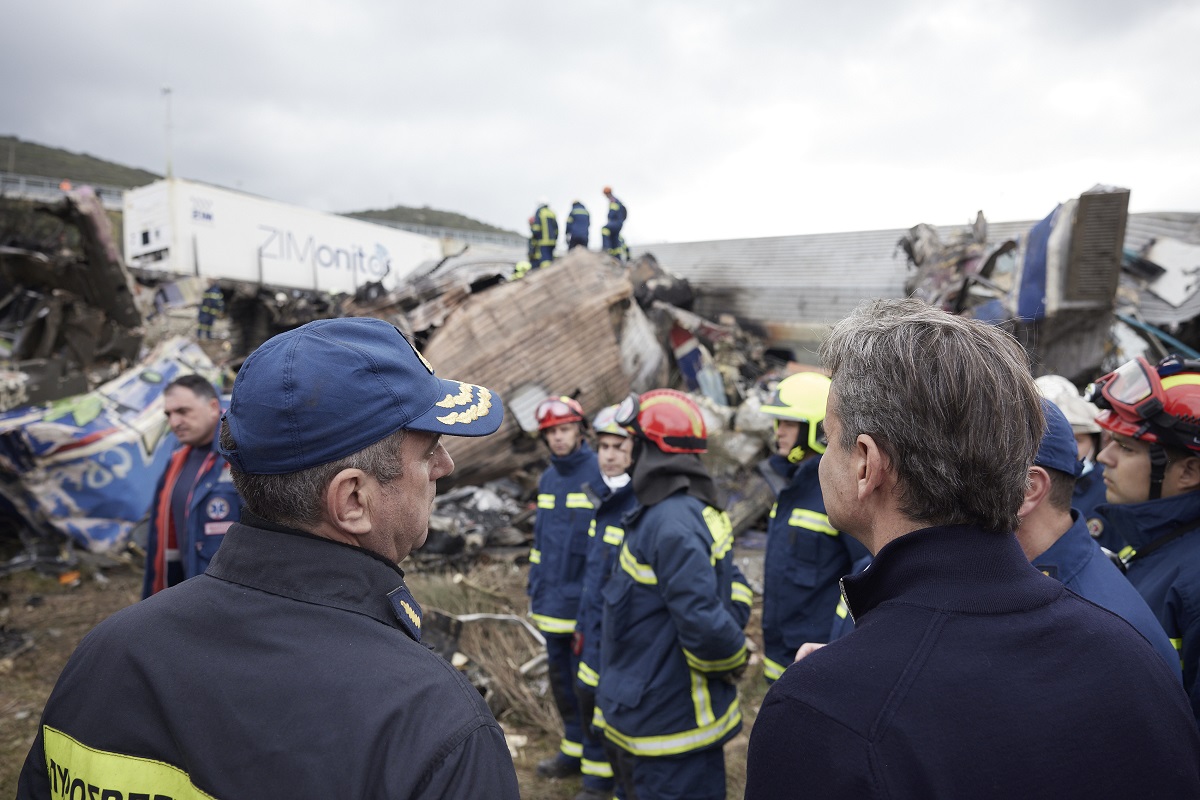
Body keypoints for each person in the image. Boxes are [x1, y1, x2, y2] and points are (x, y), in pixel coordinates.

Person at [19, 317, 519, 799]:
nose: (445, 465)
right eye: (428, 448)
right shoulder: (433, 729)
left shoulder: (104, 657)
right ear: (352, 501)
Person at [744, 298, 1200, 799]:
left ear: (866, 464)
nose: (820, 461)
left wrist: (838, 692)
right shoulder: (1132, 657)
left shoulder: (817, 716)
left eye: (830, 439)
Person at [818, 398, 1182, 678]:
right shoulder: (1019, 587)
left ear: (1027, 491)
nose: (936, 485)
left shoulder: (1104, 629)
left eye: (963, 470)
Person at [597, 390, 749, 800]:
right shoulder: (679, 510)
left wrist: (735, 653)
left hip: (670, 722)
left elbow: (701, 616)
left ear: (654, 451)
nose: (627, 456)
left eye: (635, 444)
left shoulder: (669, 522)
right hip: (654, 710)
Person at [1091, 354, 1200, 724]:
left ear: (1189, 471)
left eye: (1126, 447)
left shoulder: (1194, 581)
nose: (1104, 457)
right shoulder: (1154, 542)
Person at [758, 371, 868, 682]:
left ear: (815, 429)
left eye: (789, 424)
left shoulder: (835, 495)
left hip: (819, 651)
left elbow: (862, 575)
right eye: (778, 423)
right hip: (780, 650)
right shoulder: (790, 488)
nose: (779, 432)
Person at [529, 395, 605, 782]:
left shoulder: (597, 473)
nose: (558, 439)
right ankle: (572, 751)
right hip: (551, 606)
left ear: (579, 430)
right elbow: (542, 546)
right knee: (562, 685)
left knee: (588, 687)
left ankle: (596, 769)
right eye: (551, 433)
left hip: (584, 609)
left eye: (564, 430)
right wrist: (535, 592)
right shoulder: (548, 479)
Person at [573, 404, 637, 800]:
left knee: (612, 710)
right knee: (587, 698)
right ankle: (596, 781)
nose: (609, 454)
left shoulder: (635, 506)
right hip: (591, 626)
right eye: (604, 446)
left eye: (619, 446)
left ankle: (617, 783)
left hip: (619, 633)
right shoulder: (600, 497)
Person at [142, 374, 241, 598]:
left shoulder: (241, 457)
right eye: (169, 414)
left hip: (228, 600)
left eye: (183, 411)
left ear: (213, 406)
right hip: (185, 596)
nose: (174, 422)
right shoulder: (176, 461)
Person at [1036, 373, 1114, 547]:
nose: (1066, 451)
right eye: (1046, 441)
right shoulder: (1011, 486)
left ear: (1096, 442)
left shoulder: (1110, 492)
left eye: (1076, 440)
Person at [530, 198, 558, 270]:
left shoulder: (540, 212)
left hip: (543, 241)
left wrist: (534, 235)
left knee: (545, 260)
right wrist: (555, 238)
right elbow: (556, 228)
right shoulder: (552, 213)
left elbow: (536, 227)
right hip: (552, 241)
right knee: (550, 258)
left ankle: (546, 275)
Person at [601, 186, 626, 260]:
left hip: (616, 222)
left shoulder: (613, 200)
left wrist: (609, 219)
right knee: (614, 239)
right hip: (619, 223)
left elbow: (612, 212)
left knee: (604, 229)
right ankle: (617, 258)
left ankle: (605, 250)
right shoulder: (616, 200)